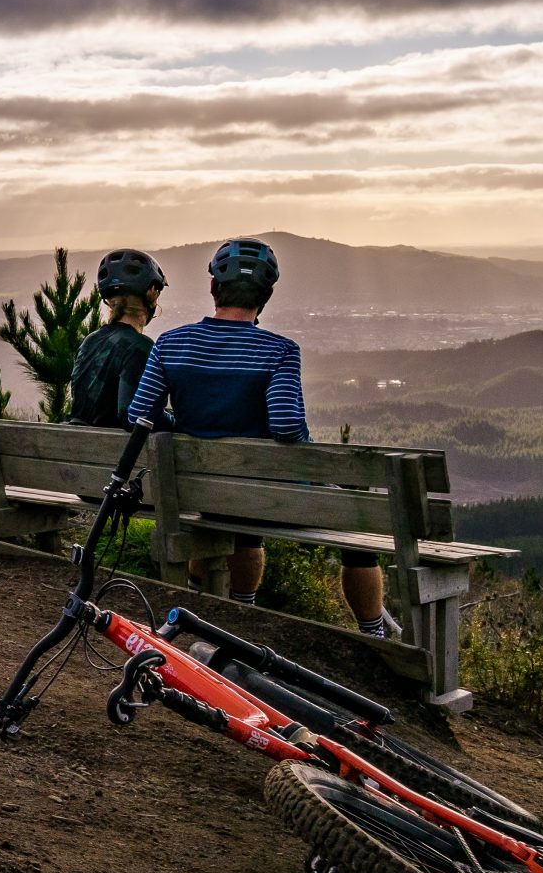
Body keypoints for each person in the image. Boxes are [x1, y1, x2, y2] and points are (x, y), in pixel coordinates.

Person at [126, 238, 396, 637]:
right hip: (260, 498)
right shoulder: (279, 351)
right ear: (266, 296)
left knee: (237, 504)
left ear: (214, 289)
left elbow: (138, 414)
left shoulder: (170, 343)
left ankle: (238, 613)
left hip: (197, 492)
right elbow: (287, 427)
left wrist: (186, 429)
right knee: (358, 530)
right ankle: (374, 634)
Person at [67, 249, 166, 429]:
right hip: (110, 452)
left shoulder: (90, 340)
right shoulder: (140, 346)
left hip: (77, 446)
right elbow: (130, 415)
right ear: (152, 292)